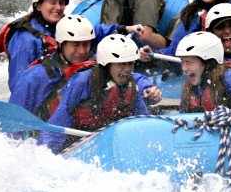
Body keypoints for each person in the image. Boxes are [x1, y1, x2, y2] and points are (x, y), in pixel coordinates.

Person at [38, 34, 163, 154]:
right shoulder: (82, 82)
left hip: (108, 138)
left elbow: (141, 121)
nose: (127, 69)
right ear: (106, 64)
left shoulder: (131, 84)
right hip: (76, 140)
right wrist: (46, 155)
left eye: (130, 63)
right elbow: (58, 123)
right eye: (121, 64)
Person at [8, 14, 142, 123]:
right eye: (75, 45)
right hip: (49, 131)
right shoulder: (36, 76)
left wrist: (146, 87)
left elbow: (129, 77)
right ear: (60, 44)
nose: (82, 51)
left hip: (88, 127)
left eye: (85, 44)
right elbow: (14, 117)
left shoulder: (98, 65)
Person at [0, 0, 69, 93]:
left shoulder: (63, 27)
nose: (58, 7)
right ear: (38, 6)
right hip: (37, 99)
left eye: (61, 3)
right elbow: (19, 84)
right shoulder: (25, 39)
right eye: (52, 2)